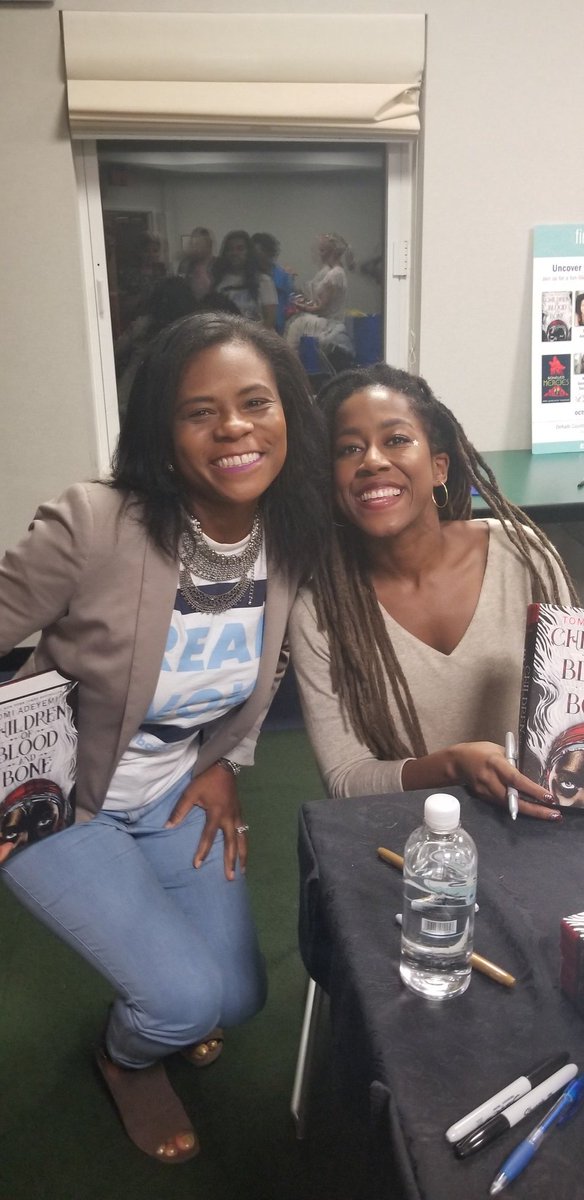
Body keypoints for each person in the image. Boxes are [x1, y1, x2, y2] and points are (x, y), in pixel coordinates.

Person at [0, 312, 326, 1164]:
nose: (234, 428)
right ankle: (125, 1057)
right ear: (162, 430)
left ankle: (163, 1015)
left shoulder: (292, 532)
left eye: (255, 402)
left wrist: (225, 763)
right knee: (182, 1004)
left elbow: (267, 667)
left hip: (174, 783)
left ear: (288, 412)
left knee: (239, 999)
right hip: (58, 798)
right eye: (199, 412)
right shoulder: (97, 522)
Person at [289, 363, 577, 819]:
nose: (372, 460)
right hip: (413, 833)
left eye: (396, 439)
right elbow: (346, 778)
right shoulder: (321, 610)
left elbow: (575, 711)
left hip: (540, 821)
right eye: (349, 448)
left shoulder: (523, 555)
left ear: (439, 467)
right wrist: (452, 766)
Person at [285, 232, 354, 361]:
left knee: (296, 325)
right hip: (328, 321)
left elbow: (321, 308)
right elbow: (314, 298)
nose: (318, 254)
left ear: (331, 252)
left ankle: (290, 363)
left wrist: (300, 306)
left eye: (322, 250)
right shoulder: (330, 272)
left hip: (329, 324)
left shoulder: (334, 275)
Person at [212, 230, 278, 328]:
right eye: (230, 249)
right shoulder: (218, 281)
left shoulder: (263, 280)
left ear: (248, 252)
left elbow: (270, 319)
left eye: (240, 249)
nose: (235, 253)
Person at [251, 232, 295, 334]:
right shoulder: (249, 276)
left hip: (277, 326)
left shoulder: (282, 275)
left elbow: (290, 302)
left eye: (262, 252)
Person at [176, 226, 214, 301]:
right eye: (195, 244)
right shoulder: (185, 264)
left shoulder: (217, 264)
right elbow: (179, 287)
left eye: (202, 244)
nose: (198, 248)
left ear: (209, 245)